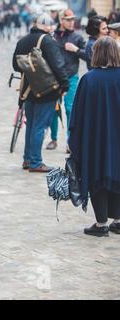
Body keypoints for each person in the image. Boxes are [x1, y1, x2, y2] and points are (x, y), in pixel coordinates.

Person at [68, 37, 120, 237]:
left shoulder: (89, 79)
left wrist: (74, 141)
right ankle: (117, 219)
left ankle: (101, 223)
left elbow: (77, 115)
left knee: (97, 174)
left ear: (96, 54)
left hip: (95, 138)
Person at [12, 13, 69, 173]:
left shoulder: (22, 40)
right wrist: (65, 85)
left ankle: (28, 159)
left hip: (28, 90)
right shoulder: (48, 41)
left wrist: (31, 72)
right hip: (47, 90)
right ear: (47, 27)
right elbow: (58, 65)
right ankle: (36, 163)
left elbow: (16, 66)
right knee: (39, 126)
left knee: (31, 125)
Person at [46, 9, 86, 152]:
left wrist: (75, 50)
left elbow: (88, 56)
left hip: (71, 77)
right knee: (53, 109)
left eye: (73, 19)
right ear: (61, 20)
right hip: (54, 78)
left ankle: (70, 141)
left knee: (70, 109)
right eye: (68, 19)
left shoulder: (77, 37)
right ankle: (54, 139)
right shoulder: (52, 36)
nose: (71, 22)